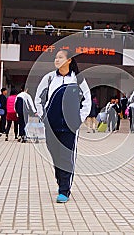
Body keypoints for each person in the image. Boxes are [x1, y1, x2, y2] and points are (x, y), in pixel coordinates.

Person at [34, 49, 91, 203]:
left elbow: (87, 100)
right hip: (51, 125)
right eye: (56, 57)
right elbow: (38, 98)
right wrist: (43, 116)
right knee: (55, 155)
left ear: (69, 60)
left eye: (60, 57)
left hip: (69, 127)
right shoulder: (50, 78)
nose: (57, 60)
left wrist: (79, 119)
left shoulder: (78, 79)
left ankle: (64, 189)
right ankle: (61, 180)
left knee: (66, 156)